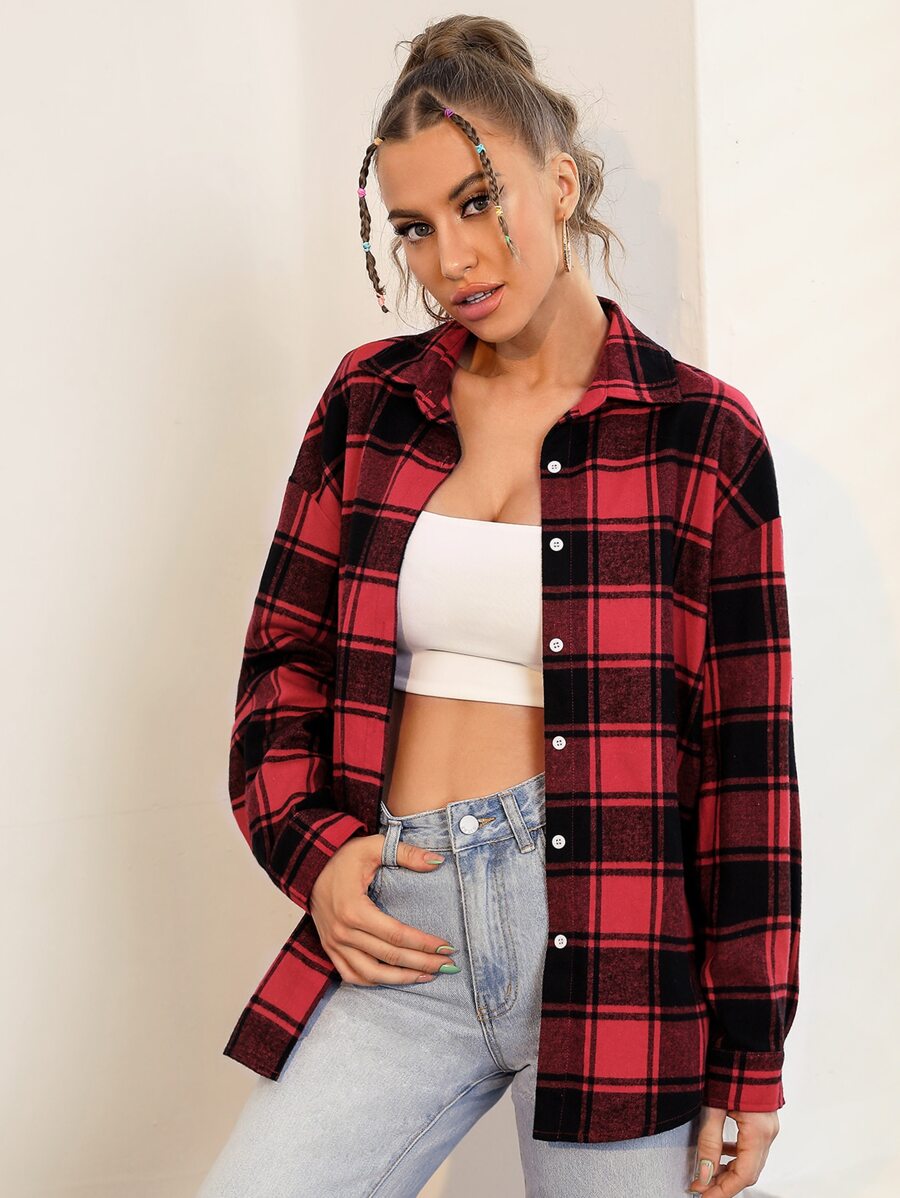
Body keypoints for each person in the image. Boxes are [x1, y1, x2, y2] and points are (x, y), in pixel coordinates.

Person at [197, 15, 801, 1198]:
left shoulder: (701, 437)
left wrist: (752, 1056)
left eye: (479, 203)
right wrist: (319, 855)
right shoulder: (369, 405)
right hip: (403, 930)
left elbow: (747, 770)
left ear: (560, 183)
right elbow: (282, 664)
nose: (453, 259)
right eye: (416, 227)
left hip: (619, 958)